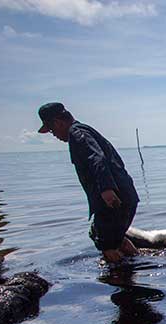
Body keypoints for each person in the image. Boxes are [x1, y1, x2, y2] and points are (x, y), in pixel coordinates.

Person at [37, 102, 140, 262]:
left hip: (114, 200)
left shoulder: (77, 134)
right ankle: (137, 263)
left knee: (106, 243)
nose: (54, 135)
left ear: (58, 122)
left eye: (51, 130)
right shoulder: (83, 131)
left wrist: (107, 189)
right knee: (108, 237)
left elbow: (97, 158)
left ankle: (123, 280)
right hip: (125, 196)